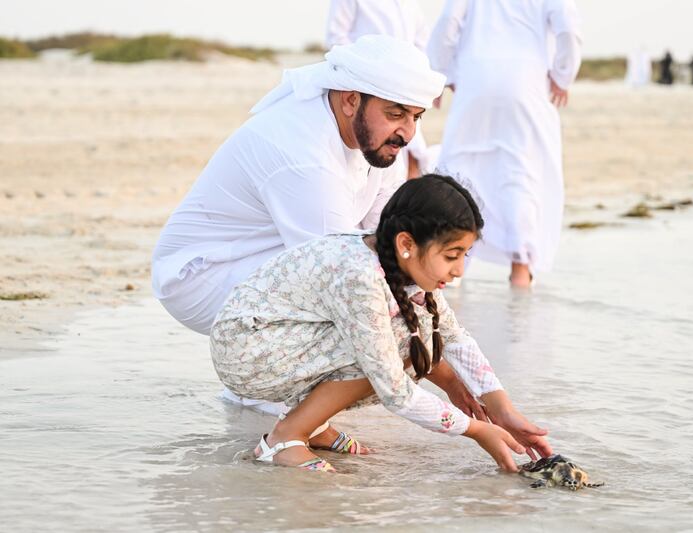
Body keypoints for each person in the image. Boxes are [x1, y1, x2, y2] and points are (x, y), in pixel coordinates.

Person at [152, 35, 484, 431]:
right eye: (396, 113)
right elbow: (344, 279)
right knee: (377, 317)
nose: (408, 132)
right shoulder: (303, 156)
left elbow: (398, 251)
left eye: (416, 116)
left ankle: (277, 391)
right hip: (201, 278)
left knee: (391, 310)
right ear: (350, 100)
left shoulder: (380, 143)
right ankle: (271, 395)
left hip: (271, 259)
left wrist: (475, 382)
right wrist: (446, 380)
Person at [210, 175, 553, 472]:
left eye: (465, 255)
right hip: (248, 351)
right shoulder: (359, 276)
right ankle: (284, 439)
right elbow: (395, 391)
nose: (460, 269)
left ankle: (312, 425)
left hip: (280, 341)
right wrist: (476, 430)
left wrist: (502, 411)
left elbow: (454, 337)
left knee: (416, 330)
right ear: (407, 243)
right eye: (451, 256)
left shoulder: (398, 264)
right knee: (402, 342)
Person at [427, 0, 582, 288]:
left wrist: (440, 72)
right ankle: (521, 269)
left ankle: (448, 266)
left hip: (475, 77)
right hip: (526, 80)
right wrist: (563, 74)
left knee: (460, 168)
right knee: (521, 171)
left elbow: (449, 20)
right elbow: (568, 28)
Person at [325, 0, 433, 177]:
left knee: (412, 153)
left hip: (406, 89)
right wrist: (368, 69)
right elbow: (336, 37)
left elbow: (422, 43)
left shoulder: (409, 4)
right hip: (369, 87)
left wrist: (417, 76)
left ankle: (404, 200)